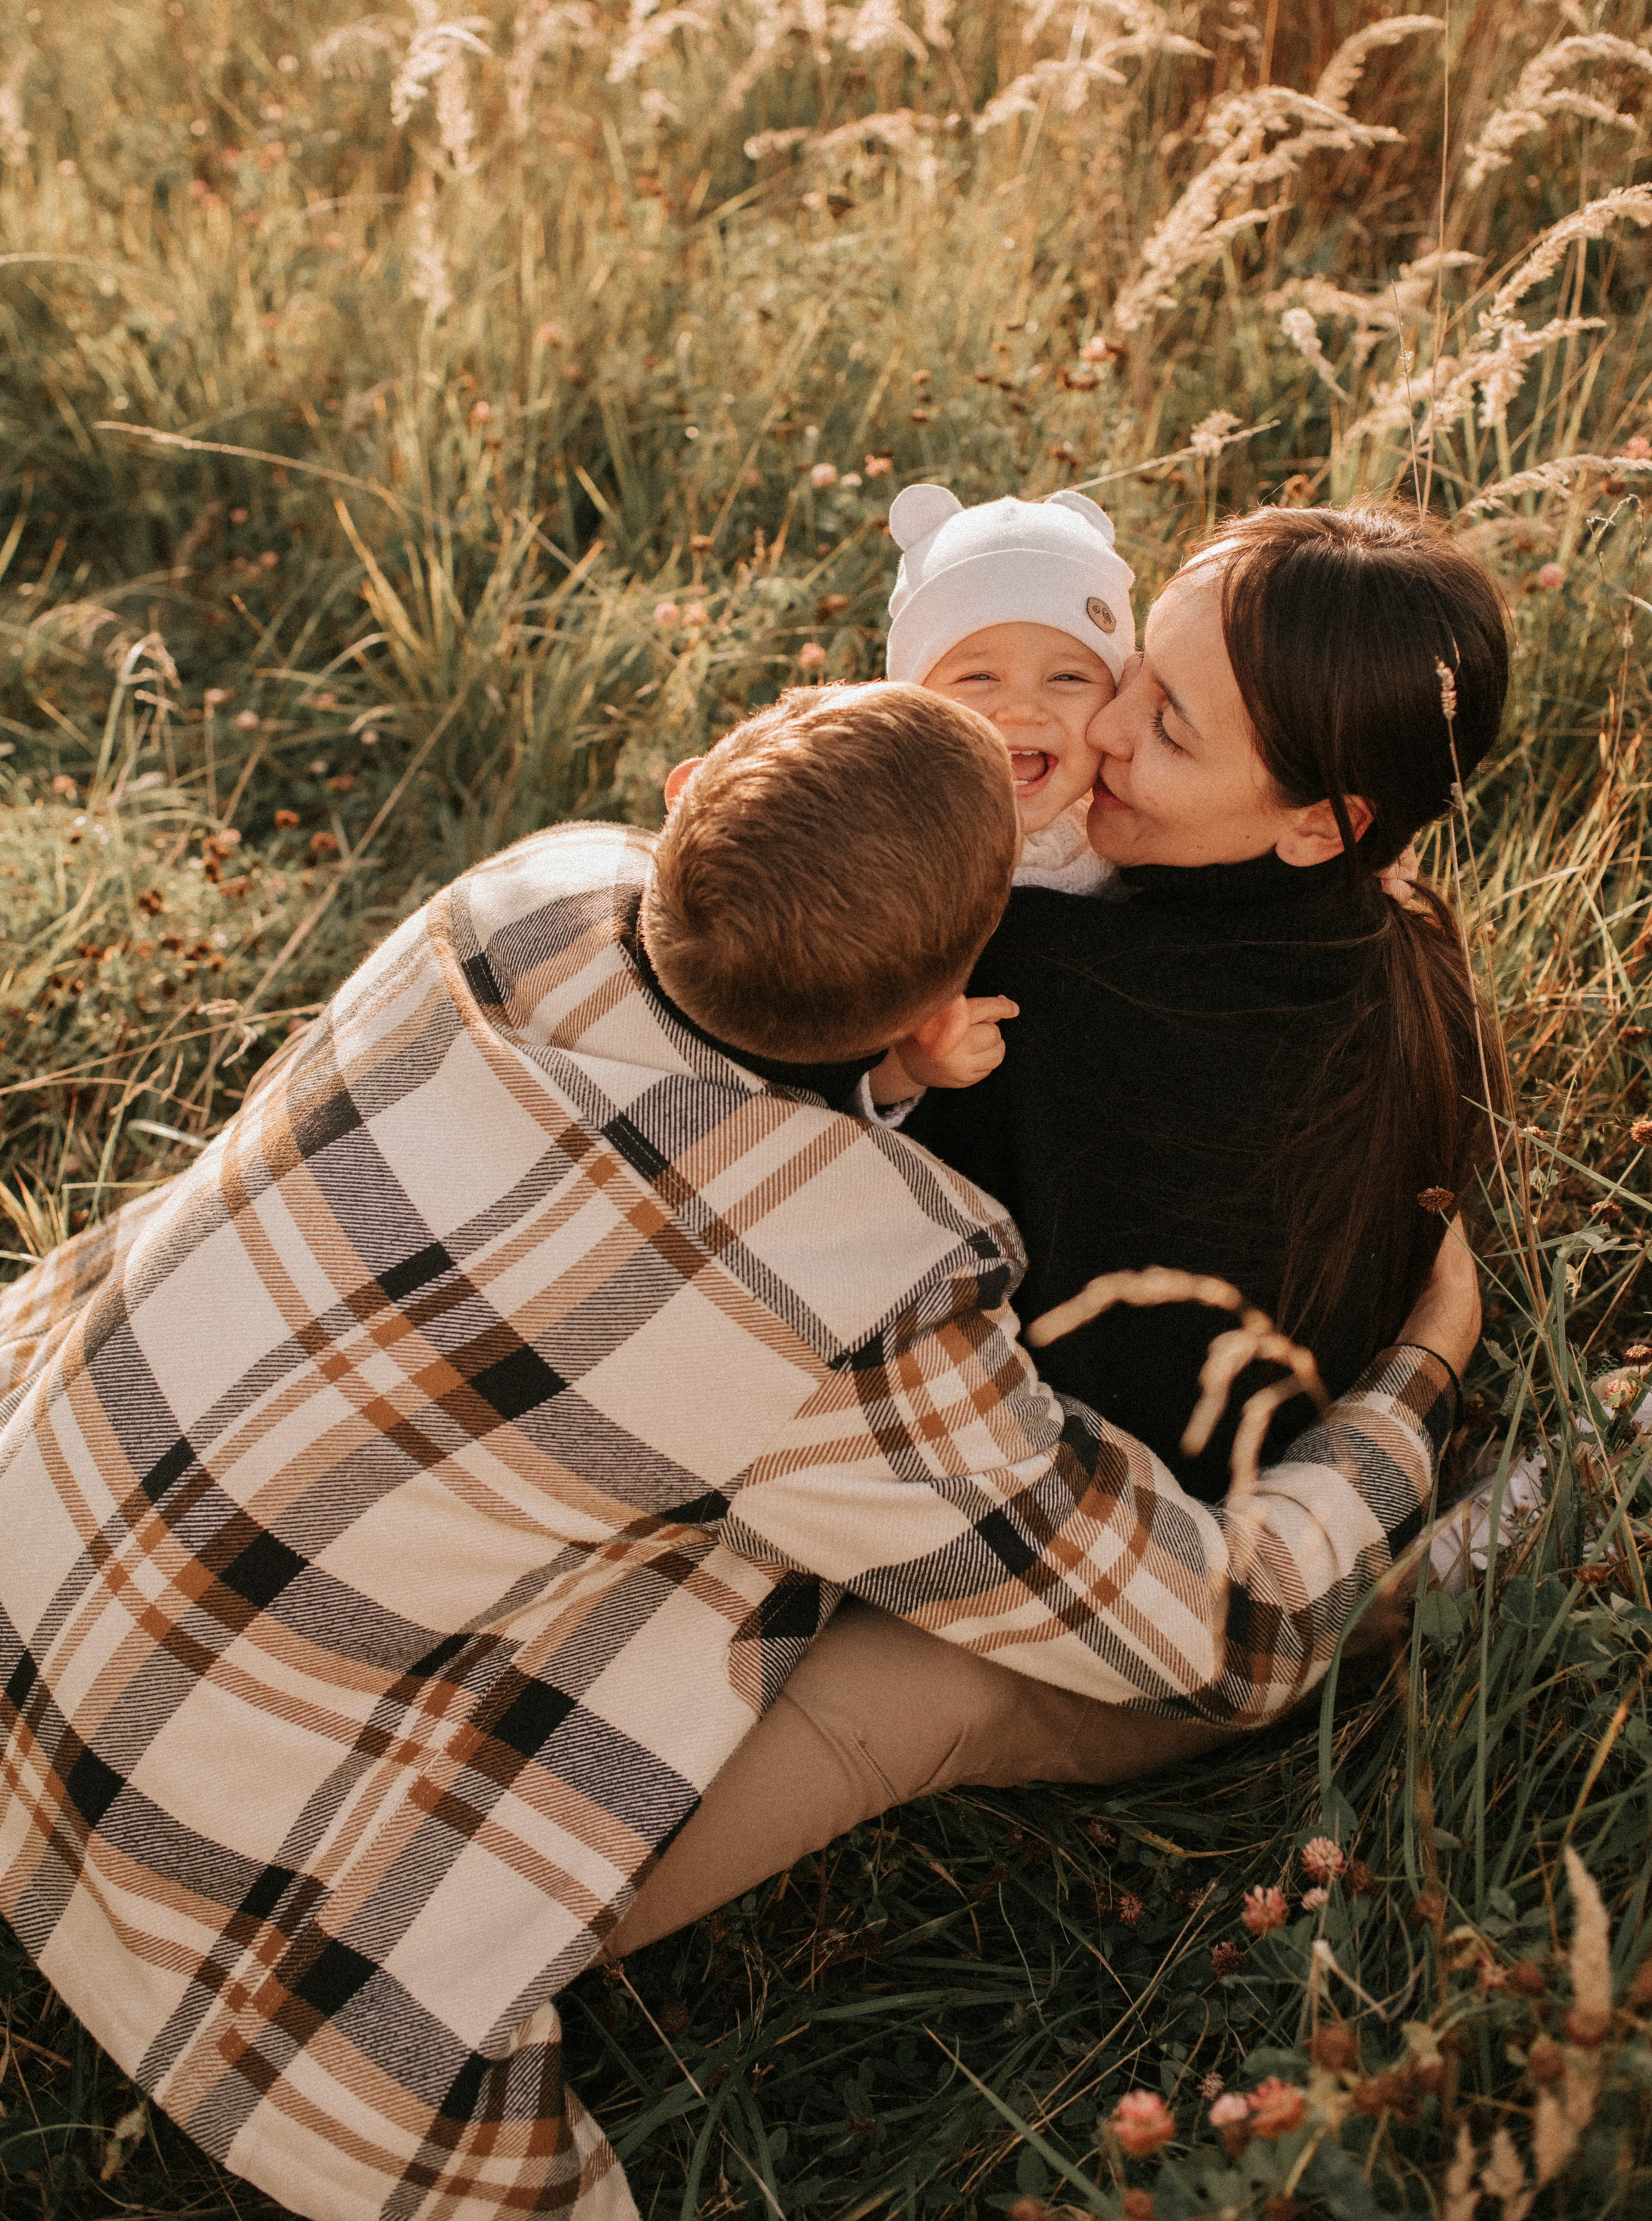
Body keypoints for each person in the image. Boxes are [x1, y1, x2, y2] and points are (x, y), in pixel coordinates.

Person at [0, 676, 1470, 2221]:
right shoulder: (855, 1281)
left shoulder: (521, 895)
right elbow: (1213, 1633)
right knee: (963, 1677)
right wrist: (1406, 1390)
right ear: (930, 1021)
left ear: (691, 786)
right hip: (216, 1902)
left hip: (35, 1523)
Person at [897, 499, 1509, 1500]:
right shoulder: (1422, 970)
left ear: (1321, 827)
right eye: (1137, 666)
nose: (1102, 724)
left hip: (1067, 1524)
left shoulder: (1027, 979)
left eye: (1171, 732)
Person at [887, 480, 1134, 895]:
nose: (1022, 710)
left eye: (1067, 678)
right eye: (979, 677)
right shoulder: (879, 842)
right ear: (913, 699)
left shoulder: (1123, 841)